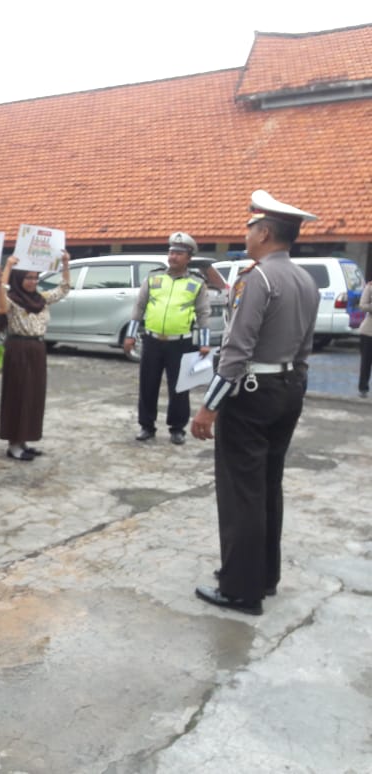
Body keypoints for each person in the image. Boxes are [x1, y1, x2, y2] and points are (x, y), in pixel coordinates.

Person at [191, 190, 320, 616]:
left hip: (250, 394)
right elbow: (305, 348)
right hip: (288, 388)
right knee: (267, 485)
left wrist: (209, 405)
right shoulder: (305, 280)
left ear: (264, 233)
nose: (245, 235)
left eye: (250, 229)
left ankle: (240, 590)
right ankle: (264, 575)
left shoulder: (257, 279)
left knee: (241, 492)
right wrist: (294, 385)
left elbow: (236, 350)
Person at [124, 233, 211, 445]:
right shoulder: (154, 278)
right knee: (148, 385)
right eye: (171, 252)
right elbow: (139, 307)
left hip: (181, 343)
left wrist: (205, 343)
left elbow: (203, 313)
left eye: (179, 253)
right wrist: (130, 335)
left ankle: (177, 428)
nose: (173, 257)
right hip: (152, 341)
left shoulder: (196, 283)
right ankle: (146, 426)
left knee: (179, 387)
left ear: (188, 257)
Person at [0, 252, 71, 460]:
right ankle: (13, 444)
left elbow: (64, 289)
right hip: (18, 348)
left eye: (35, 277)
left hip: (37, 349)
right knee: (18, 394)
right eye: (28, 277)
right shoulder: (12, 301)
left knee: (33, 395)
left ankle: (24, 439)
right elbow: (1, 292)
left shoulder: (41, 300)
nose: (32, 281)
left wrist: (65, 264)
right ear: (19, 279)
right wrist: (8, 267)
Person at [358, 280, 372, 397]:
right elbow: (362, 305)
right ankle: (363, 388)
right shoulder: (370, 287)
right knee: (366, 362)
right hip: (368, 332)